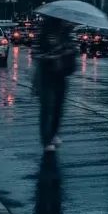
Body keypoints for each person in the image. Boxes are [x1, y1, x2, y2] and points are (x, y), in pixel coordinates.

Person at [33, 17, 76, 153]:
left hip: (61, 74)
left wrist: (66, 52)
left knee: (58, 107)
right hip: (46, 75)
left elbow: (74, 50)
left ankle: (53, 133)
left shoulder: (67, 35)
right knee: (46, 107)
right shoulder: (44, 35)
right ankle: (46, 139)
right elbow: (35, 53)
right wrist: (50, 57)